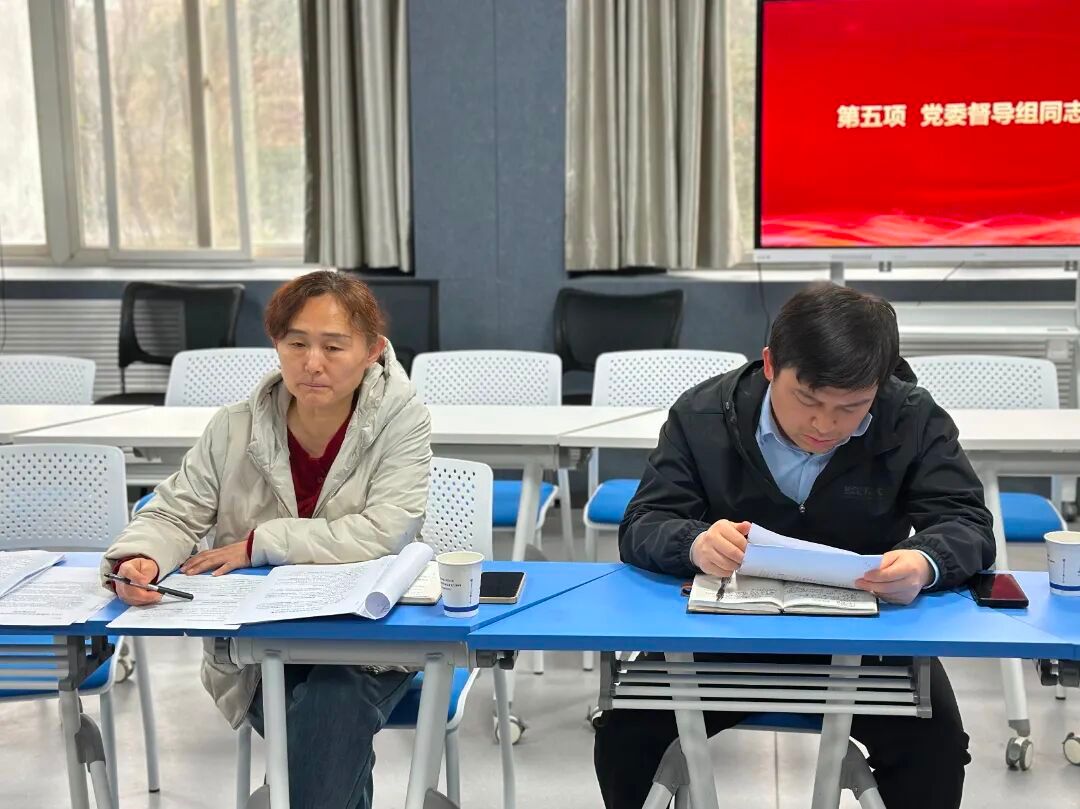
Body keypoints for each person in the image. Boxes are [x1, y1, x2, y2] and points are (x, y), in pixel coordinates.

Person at [594, 283, 995, 809]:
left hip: (865, 639)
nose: (825, 425)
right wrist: (695, 543)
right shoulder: (703, 415)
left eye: (853, 407)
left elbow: (967, 522)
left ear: (878, 387)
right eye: (807, 399)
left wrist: (924, 561)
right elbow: (643, 523)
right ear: (769, 364)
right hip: (722, 637)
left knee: (935, 750)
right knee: (623, 738)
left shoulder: (911, 417)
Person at [102, 270, 432, 809]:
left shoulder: (402, 422)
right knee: (328, 725)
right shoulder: (234, 427)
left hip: (367, 642)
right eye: (296, 344)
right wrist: (140, 557)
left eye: (333, 346)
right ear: (276, 344)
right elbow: (175, 513)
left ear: (372, 351)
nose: (313, 363)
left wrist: (263, 543)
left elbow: (384, 531)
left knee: (334, 698)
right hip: (260, 644)